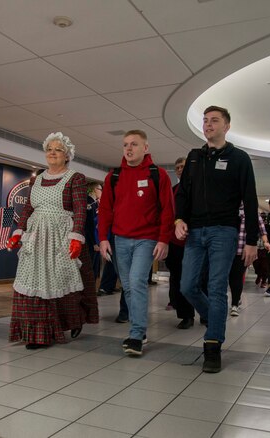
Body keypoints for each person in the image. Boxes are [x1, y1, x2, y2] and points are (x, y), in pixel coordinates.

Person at [175, 105, 258, 373]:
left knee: (216, 286)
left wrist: (252, 241)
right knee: (187, 286)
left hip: (224, 230)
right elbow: (183, 194)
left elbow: (251, 201)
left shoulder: (239, 158)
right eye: (206, 121)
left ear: (227, 126)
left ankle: (213, 346)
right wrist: (179, 219)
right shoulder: (195, 157)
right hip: (195, 231)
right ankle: (216, 319)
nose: (208, 125)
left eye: (214, 121)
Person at [8, 132, 98, 349]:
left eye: (57, 149)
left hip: (61, 237)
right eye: (49, 149)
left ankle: (73, 320)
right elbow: (29, 207)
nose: (52, 153)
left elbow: (79, 211)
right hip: (37, 238)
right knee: (32, 282)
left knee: (63, 282)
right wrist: (18, 231)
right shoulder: (36, 179)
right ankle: (36, 333)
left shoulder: (75, 178)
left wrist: (76, 237)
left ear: (67, 155)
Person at [98, 129, 174, 356]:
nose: (129, 149)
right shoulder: (114, 176)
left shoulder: (158, 174)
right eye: (125, 145)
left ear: (145, 148)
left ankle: (136, 333)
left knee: (136, 282)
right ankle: (139, 330)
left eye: (134, 144)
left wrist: (164, 239)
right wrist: (103, 238)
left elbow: (168, 210)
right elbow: (104, 210)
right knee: (129, 286)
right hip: (120, 239)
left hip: (146, 239)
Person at [165, 157, 196, 329]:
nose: (180, 170)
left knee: (198, 280)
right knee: (178, 280)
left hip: (195, 243)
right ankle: (186, 315)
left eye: (183, 166)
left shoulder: (199, 189)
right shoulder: (173, 190)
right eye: (177, 167)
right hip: (175, 243)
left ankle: (205, 313)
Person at [85, 181, 102, 280]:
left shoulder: (95, 203)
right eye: (100, 189)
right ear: (95, 190)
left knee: (95, 267)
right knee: (90, 266)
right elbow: (89, 225)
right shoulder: (89, 203)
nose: (101, 192)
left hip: (96, 239)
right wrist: (94, 243)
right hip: (90, 241)